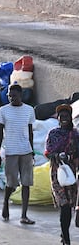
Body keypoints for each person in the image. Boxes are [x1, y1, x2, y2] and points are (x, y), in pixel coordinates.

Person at [0, 83, 36, 224]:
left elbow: (30, 131)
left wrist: (32, 151)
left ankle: (24, 215)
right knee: (11, 183)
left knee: (26, 183)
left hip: (26, 152)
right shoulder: (3, 111)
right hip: (11, 152)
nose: (12, 98)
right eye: (9, 95)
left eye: (14, 95)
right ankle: (5, 202)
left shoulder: (29, 110)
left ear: (21, 95)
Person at [44, 104, 79, 245]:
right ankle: (66, 238)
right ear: (58, 118)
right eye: (61, 116)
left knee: (70, 205)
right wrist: (57, 155)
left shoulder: (76, 135)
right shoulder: (53, 133)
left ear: (71, 118)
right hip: (57, 173)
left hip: (72, 174)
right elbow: (47, 152)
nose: (64, 118)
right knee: (63, 204)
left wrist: (71, 157)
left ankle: (63, 232)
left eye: (67, 116)